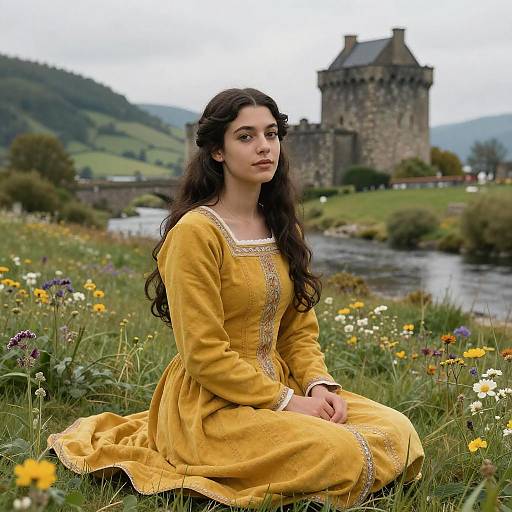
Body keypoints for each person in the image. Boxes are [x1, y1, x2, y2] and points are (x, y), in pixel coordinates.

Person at [48, 88, 424, 509]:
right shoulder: (196, 233)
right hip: (211, 405)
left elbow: (298, 332)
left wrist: (317, 387)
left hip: (284, 385)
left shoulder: (282, 227)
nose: (264, 147)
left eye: (271, 134)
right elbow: (204, 354)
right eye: (245, 136)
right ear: (217, 151)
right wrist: (288, 403)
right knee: (342, 451)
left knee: (399, 430)